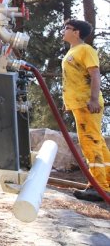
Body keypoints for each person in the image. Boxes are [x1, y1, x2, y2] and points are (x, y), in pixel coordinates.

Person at [61, 19, 109, 202]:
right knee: (98, 143)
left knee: (90, 143)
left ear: (77, 32)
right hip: (79, 104)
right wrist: (68, 102)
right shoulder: (72, 52)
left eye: (67, 28)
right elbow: (73, 80)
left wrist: (94, 99)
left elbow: (95, 74)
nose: (63, 31)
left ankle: (98, 187)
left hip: (87, 105)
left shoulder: (85, 50)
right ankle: (106, 184)